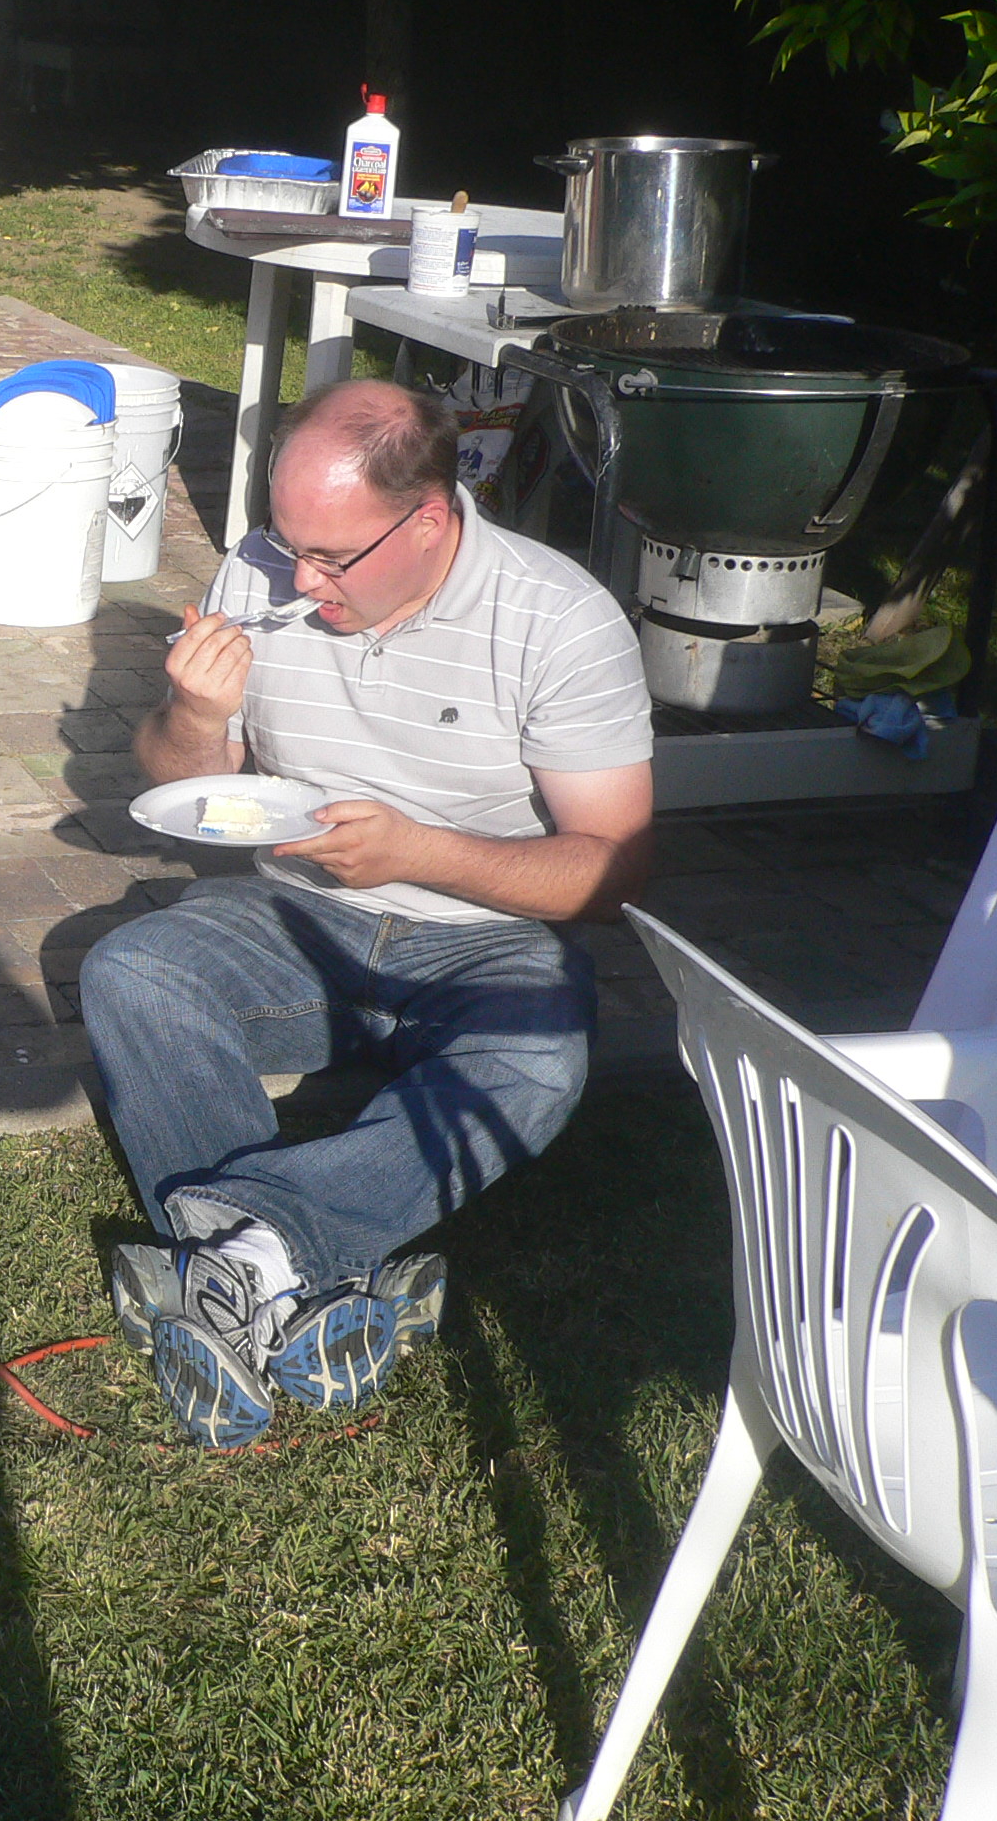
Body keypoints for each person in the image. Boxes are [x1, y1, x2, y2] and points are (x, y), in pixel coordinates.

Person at [83, 380, 654, 1450]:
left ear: (429, 521)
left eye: (333, 559)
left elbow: (612, 870)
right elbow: (178, 780)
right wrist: (194, 713)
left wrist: (421, 853)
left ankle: (239, 1268)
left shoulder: (557, 618)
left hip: (486, 939)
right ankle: (296, 1277)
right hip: (297, 913)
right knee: (134, 971)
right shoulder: (257, 568)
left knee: (538, 1058)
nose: (300, 579)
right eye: (288, 542)